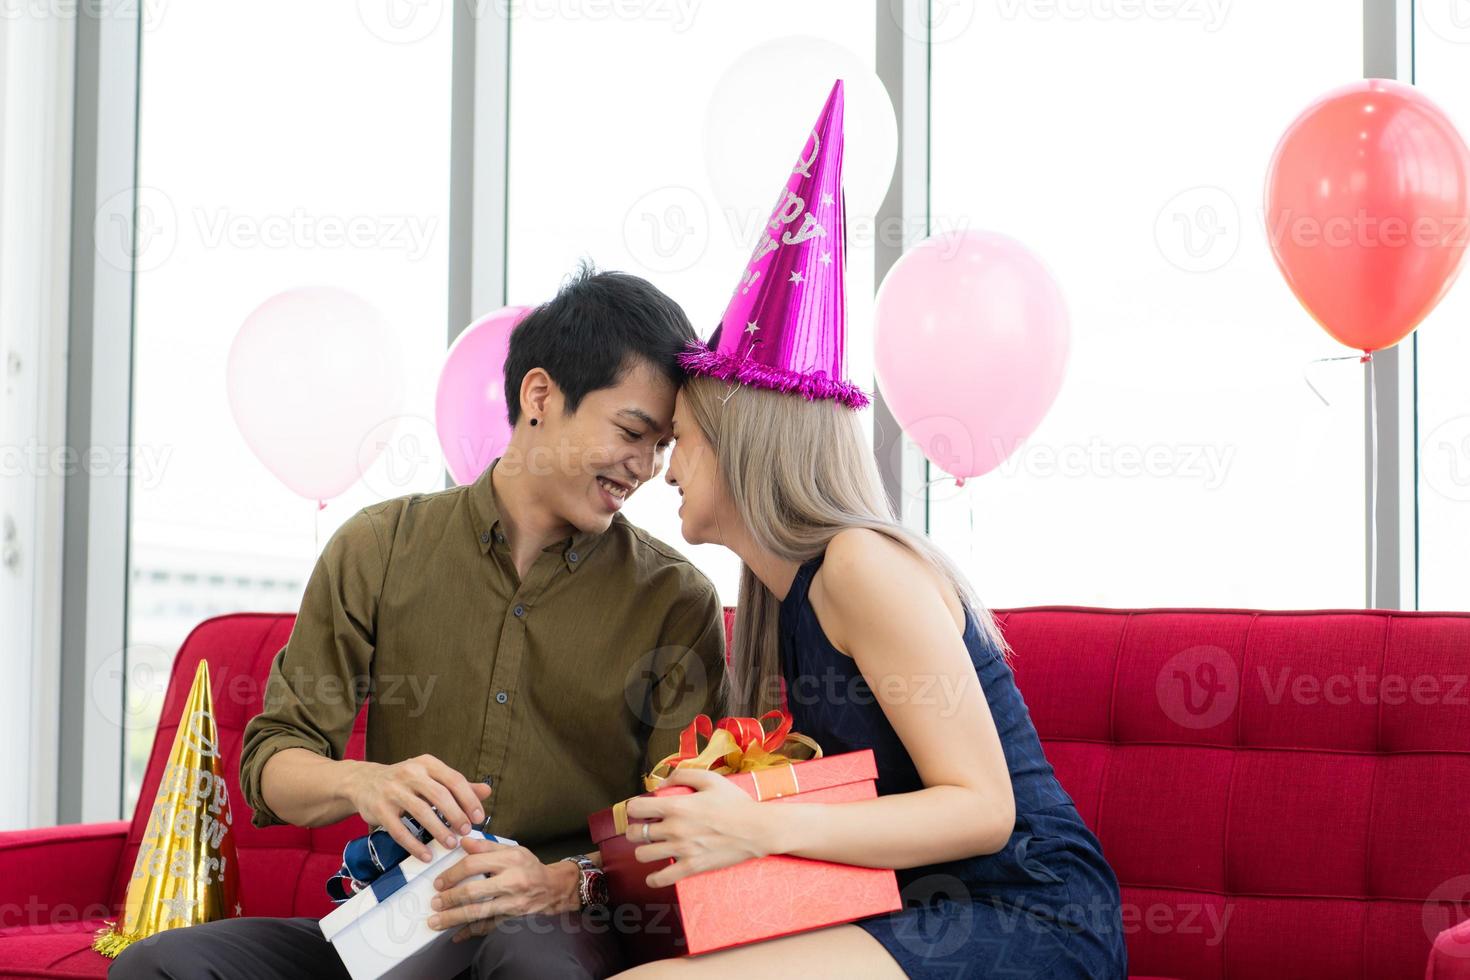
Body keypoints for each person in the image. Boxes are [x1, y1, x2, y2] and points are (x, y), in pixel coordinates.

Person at [610, 82, 1128, 978]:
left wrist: (753, 824)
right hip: (922, 907)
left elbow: (984, 810)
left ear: (741, 447)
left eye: (682, 442)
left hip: (1031, 913)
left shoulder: (858, 566)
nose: (668, 470)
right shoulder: (782, 603)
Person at [110, 264, 727, 980]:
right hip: (396, 928)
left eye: (660, 446)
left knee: (526, 960)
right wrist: (363, 783)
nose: (646, 467)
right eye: (632, 432)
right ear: (539, 395)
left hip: (554, 929)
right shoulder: (379, 547)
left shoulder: (675, 600)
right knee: (159, 969)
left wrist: (564, 880)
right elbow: (270, 760)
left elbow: (677, 825)